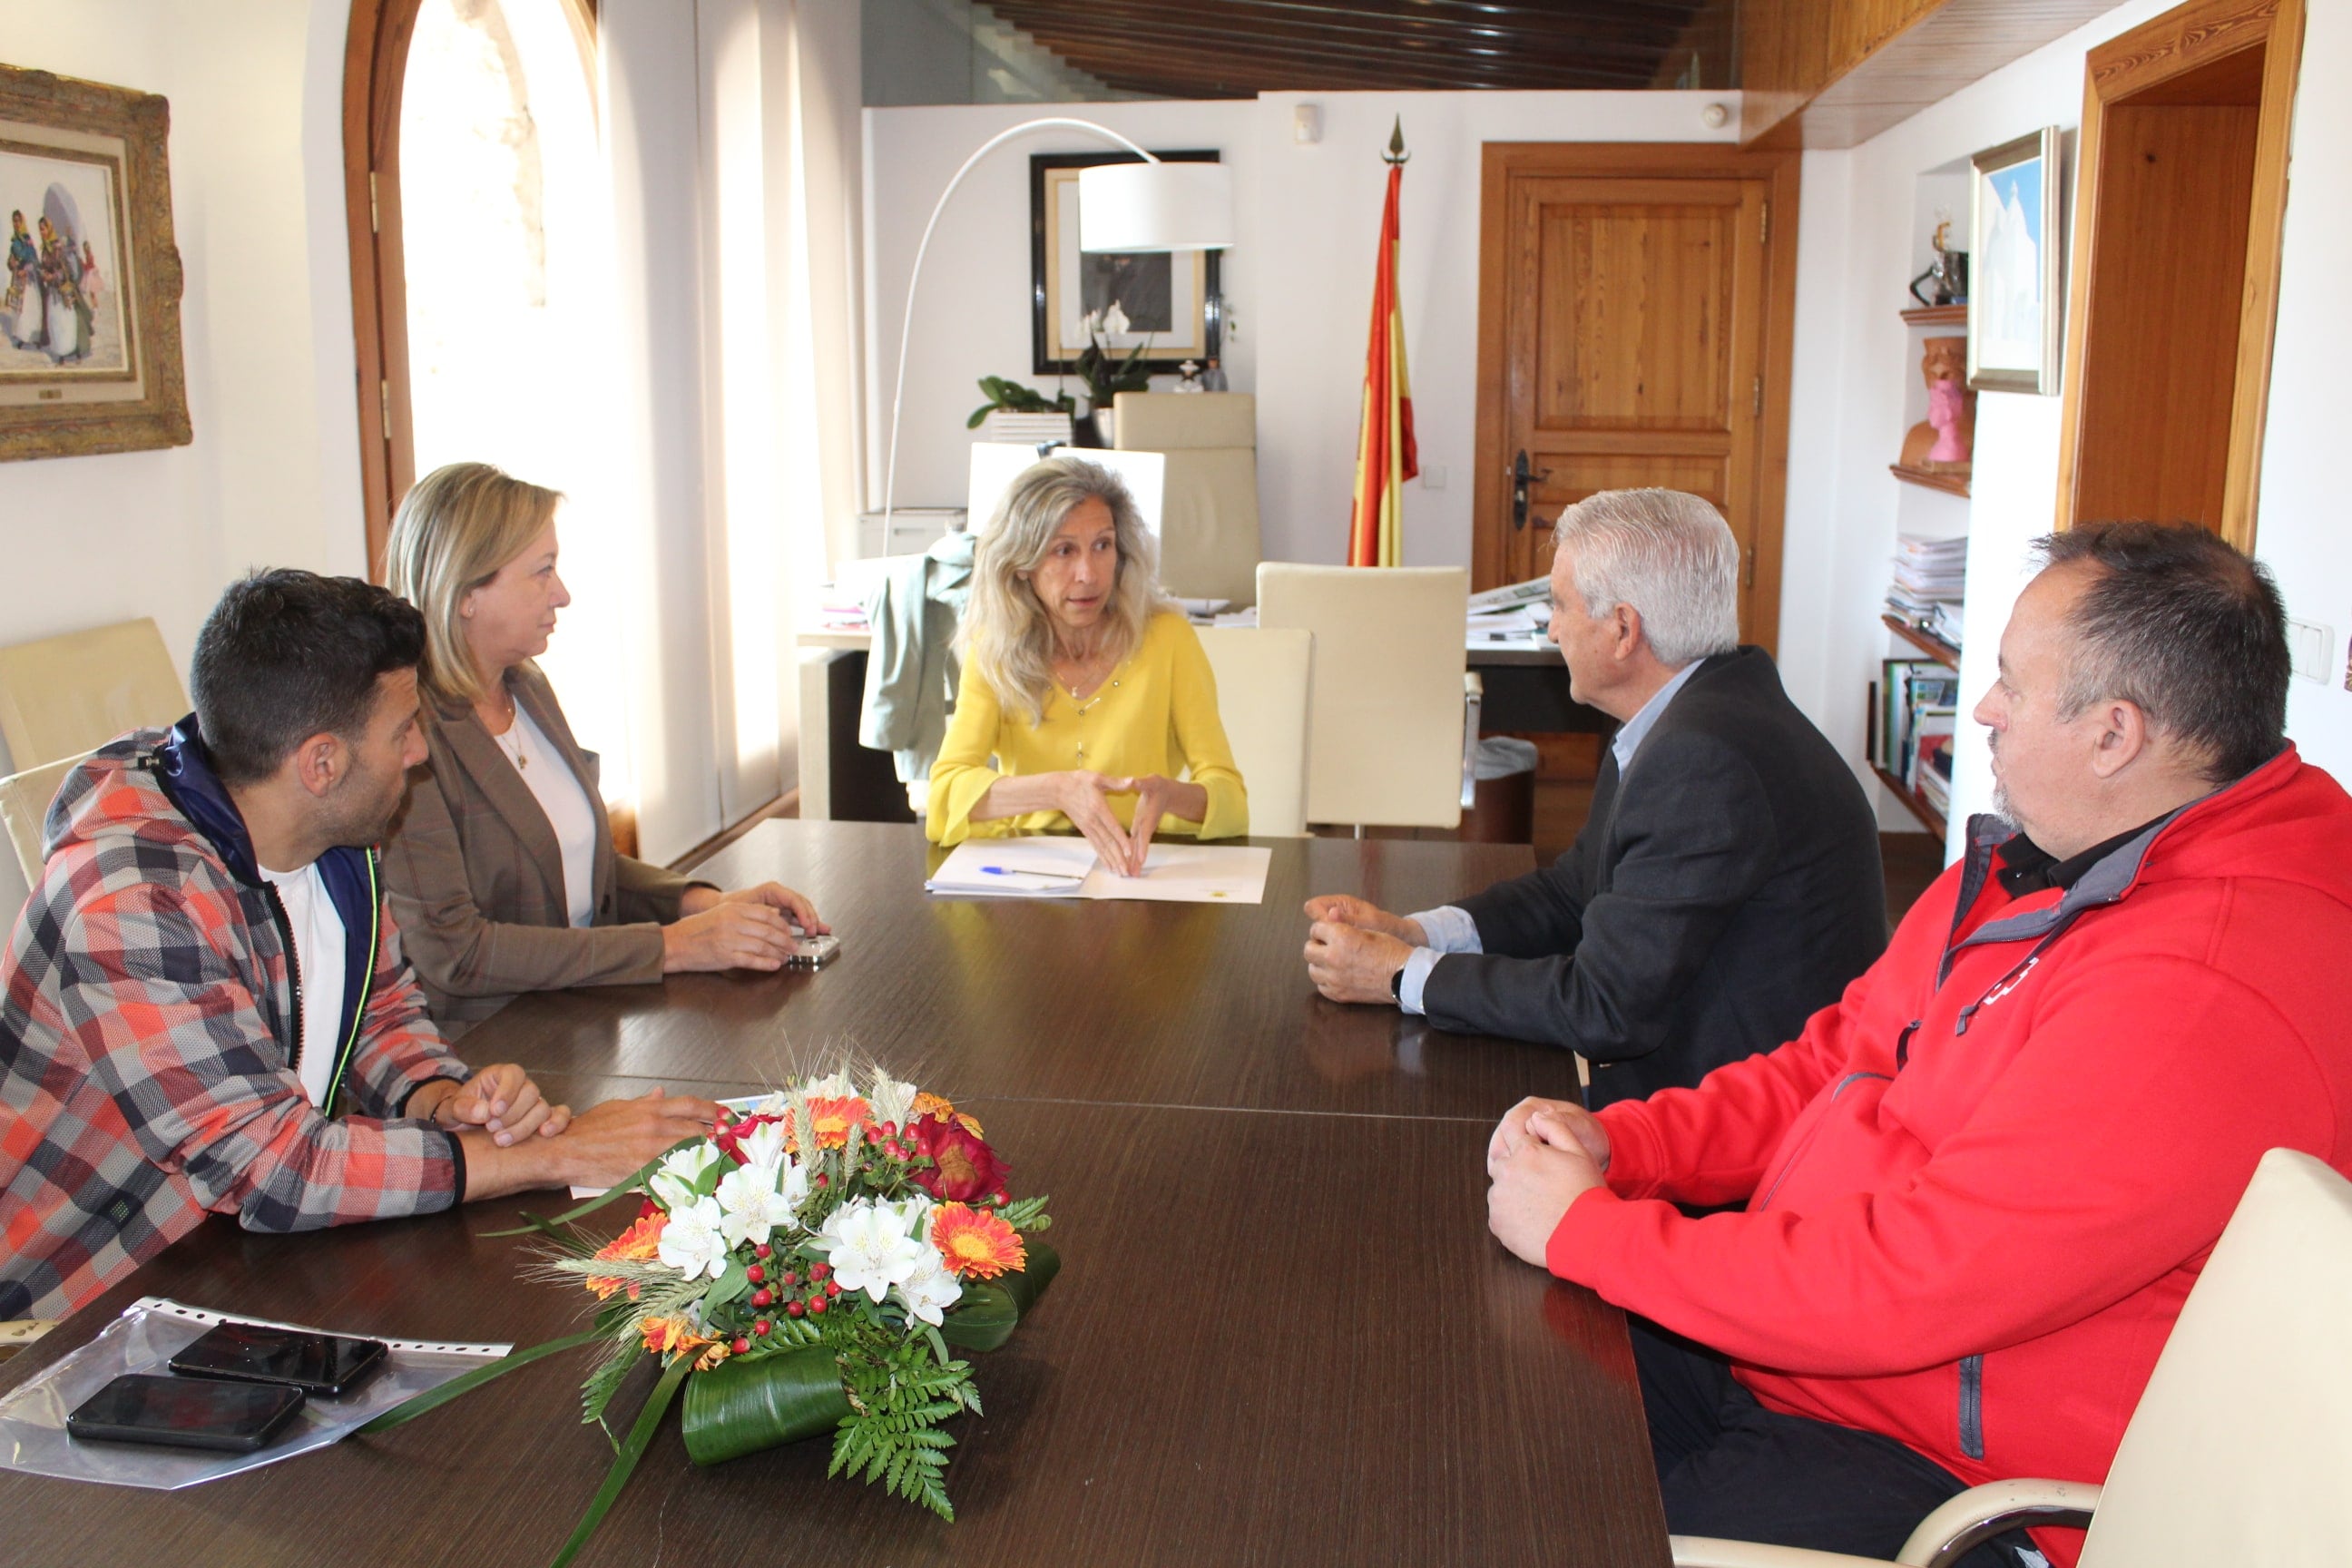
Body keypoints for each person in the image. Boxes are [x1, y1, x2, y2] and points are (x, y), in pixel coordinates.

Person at [1485, 522, 2352, 1568]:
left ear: (2115, 735)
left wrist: (1590, 1233)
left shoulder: (2200, 993)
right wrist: (1630, 1148)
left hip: (1944, 1474)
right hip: (1810, 1360)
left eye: (2010, 686)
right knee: (1486, 1371)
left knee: (1518, 1499)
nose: (1982, 710)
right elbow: (1831, 1063)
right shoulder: (2043, 867)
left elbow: (1914, 1283)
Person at [0, 571, 720, 1325]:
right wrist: (548, 1155)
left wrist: (443, 1098)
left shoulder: (331, 829)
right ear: (321, 763)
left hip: (237, 1260)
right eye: (403, 729)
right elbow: (271, 1168)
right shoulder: (130, 905)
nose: (419, 752)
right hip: (77, 1308)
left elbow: (378, 1011)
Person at [1303, 489, 1884, 1107]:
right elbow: (1575, 891)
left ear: (1624, 629)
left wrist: (1397, 974)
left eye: (1558, 605)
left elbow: (1604, 1005)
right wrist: (1417, 934)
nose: (1550, 627)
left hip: (1743, 1141)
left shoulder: (1706, 761)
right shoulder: (1693, 713)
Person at [381, 462, 828, 1036]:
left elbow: (577, 863)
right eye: (542, 572)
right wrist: (671, 947)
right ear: (467, 594)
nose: (562, 594)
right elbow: (457, 953)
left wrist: (701, 903)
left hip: (584, 1019)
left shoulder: (528, 686)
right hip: (491, 1053)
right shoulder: (412, 739)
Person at [926, 455, 1246, 872]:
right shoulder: (993, 649)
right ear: (1023, 565)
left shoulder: (1168, 639)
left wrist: (1173, 795)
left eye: (1102, 545)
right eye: (1063, 550)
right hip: (1029, 881)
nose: (1088, 573)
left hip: (1141, 875)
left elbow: (1232, 803)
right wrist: (1057, 790)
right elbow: (944, 798)